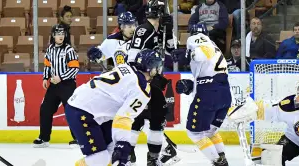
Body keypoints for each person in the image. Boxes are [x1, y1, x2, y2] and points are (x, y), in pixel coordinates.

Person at [65, 49, 163, 166]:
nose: (158, 71)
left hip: (85, 103)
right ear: (151, 69)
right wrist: (122, 143)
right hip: (82, 111)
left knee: (113, 153)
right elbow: (123, 118)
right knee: (100, 159)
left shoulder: (126, 66)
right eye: (157, 67)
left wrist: (121, 145)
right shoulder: (141, 89)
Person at [127, 1, 181, 165]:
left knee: (150, 117)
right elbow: (132, 58)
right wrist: (142, 78)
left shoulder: (160, 31)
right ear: (158, 13)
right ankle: (132, 152)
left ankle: (147, 155)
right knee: (141, 118)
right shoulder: (144, 29)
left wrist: (170, 31)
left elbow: (174, 51)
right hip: (143, 81)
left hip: (154, 80)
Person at [174, 24, 231, 166]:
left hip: (209, 94)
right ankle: (222, 158)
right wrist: (192, 85)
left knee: (194, 133)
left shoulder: (197, 39)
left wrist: (187, 54)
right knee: (210, 132)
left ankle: (218, 162)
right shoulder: (214, 45)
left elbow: (203, 53)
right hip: (224, 93)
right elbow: (210, 74)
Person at [33, 24, 80, 148]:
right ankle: (44, 138)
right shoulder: (50, 49)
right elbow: (48, 65)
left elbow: (75, 69)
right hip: (54, 84)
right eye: (58, 34)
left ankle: (78, 139)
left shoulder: (69, 50)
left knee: (71, 111)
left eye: (62, 34)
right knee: (45, 109)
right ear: (53, 35)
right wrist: (45, 77)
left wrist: (61, 77)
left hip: (67, 84)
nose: (61, 36)